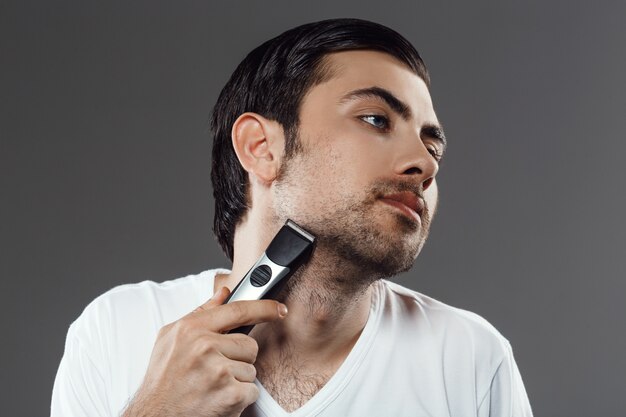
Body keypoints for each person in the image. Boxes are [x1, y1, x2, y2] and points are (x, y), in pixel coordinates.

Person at [51, 18, 533, 417]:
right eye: (375, 119)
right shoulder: (116, 331)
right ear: (261, 148)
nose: (425, 164)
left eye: (433, 146)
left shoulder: (470, 358)